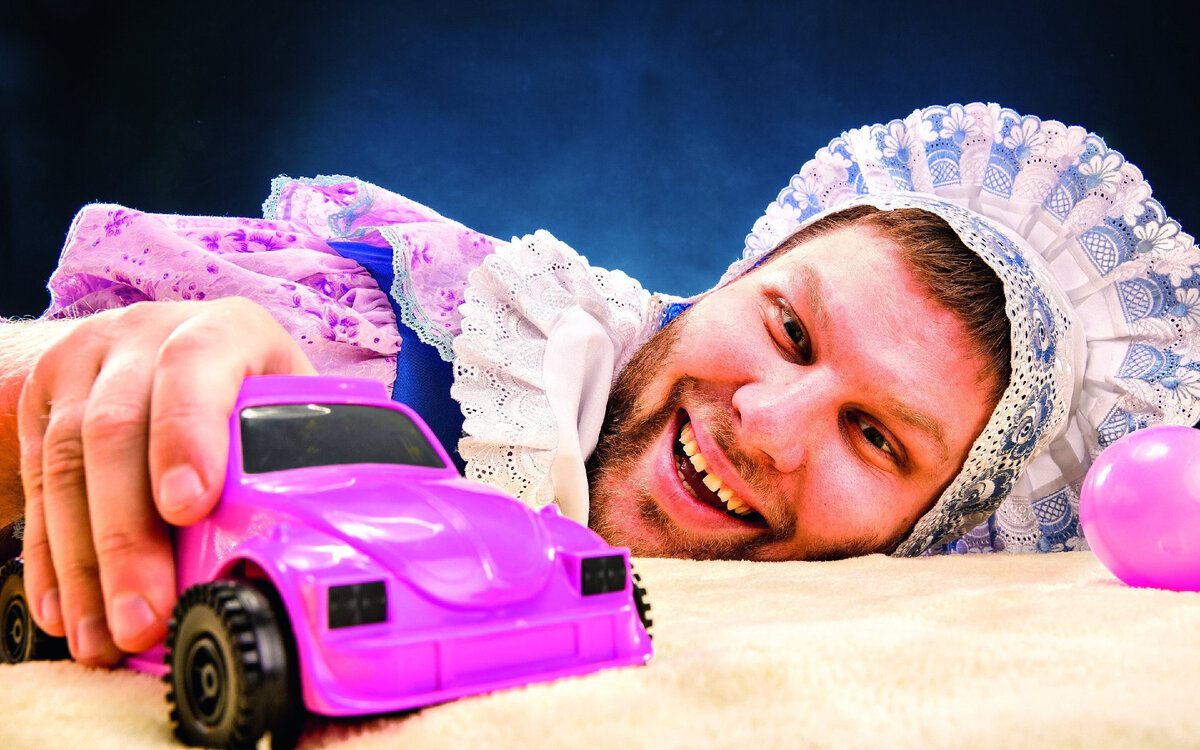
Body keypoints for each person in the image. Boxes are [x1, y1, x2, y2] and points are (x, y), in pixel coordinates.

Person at [1, 102, 1197, 667]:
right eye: (787, 329)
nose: (768, 424)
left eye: (877, 440)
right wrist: (76, 388)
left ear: (920, 533)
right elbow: (87, 382)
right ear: (724, 282)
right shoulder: (420, 333)